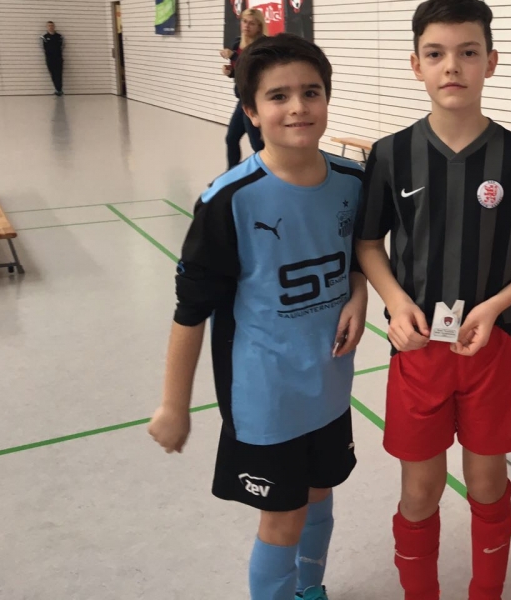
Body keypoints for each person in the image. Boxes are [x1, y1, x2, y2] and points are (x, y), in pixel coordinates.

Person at [148, 33, 368, 600]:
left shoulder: (353, 182)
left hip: (329, 383)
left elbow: (360, 256)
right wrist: (174, 405)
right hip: (266, 394)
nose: (298, 107)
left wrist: (360, 292)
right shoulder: (229, 200)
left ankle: (309, 590)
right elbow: (191, 311)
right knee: (283, 517)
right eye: (278, 96)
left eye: (311, 92)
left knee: (319, 495)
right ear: (250, 110)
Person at [354, 0, 511, 600]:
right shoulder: (391, 155)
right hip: (418, 352)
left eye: (468, 52)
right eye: (436, 54)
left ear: (491, 61)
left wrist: (495, 307)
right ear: (416, 64)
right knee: (420, 491)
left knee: (488, 485)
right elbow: (368, 244)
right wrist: (396, 302)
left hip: (492, 350)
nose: (452, 67)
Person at [222, 8, 267, 168]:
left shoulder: (263, 45)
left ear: (259, 26)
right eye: (244, 21)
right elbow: (240, 72)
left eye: (251, 23)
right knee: (231, 138)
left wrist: (234, 56)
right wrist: (230, 72)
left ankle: (268, 172)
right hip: (242, 99)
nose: (247, 26)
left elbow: (252, 68)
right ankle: (231, 174)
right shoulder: (238, 43)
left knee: (257, 145)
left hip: (255, 100)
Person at [41, 21, 64, 96]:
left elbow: (62, 46)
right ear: (47, 27)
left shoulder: (59, 36)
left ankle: (59, 89)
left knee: (59, 74)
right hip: (50, 59)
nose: (50, 27)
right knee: (53, 74)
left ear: (54, 27)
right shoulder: (44, 37)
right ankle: (57, 89)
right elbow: (43, 48)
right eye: (49, 26)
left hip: (58, 58)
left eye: (52, 25)